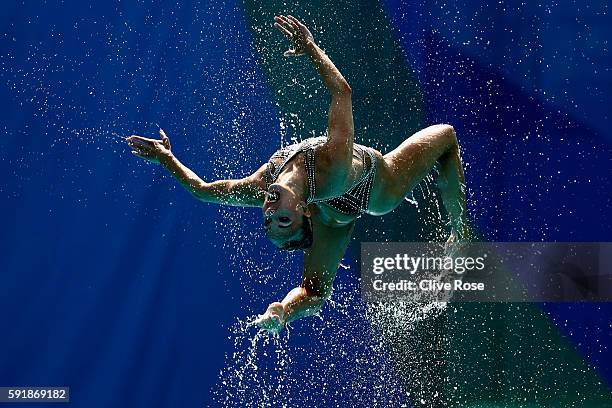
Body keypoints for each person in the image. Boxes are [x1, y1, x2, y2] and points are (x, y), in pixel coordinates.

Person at [126, 15, 468, 334]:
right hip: (377, 191)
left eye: (268, 222)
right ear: (303, 211)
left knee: (317, 286)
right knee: (446, 136)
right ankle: (459, 227)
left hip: (330, 210)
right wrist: (311, 49)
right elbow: (342, 93)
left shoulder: (263, 188)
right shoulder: (330, 169)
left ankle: (456, 229)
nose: (271, 213)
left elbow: (203, 190)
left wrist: (165, 158)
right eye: (283, 222)